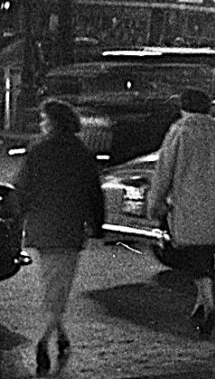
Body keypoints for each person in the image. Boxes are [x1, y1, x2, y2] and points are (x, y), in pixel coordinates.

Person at [147, 88, 215, 338]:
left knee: (195, 255)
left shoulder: (179, 132)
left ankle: (209, 304)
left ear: (184, 108)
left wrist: (155, 203)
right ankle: (201, 303)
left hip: (187, 204)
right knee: (204, 253)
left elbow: (164, 172)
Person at [12, 99, 104, 376]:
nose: (41, 124)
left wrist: (20, 217)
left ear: (52, 122)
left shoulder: (38, 150)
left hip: (43, 227)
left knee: (52, 284)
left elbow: (21, 189)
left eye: (43, 119)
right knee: (60, 285)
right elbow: (94, 192)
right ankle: (45, 338)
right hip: (70, 228)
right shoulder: (82, 152)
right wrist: (97, 225)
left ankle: (58, 335)